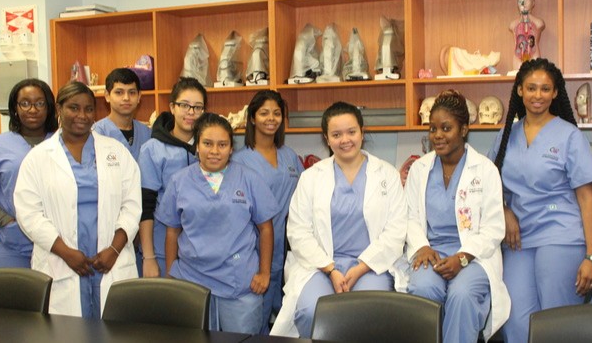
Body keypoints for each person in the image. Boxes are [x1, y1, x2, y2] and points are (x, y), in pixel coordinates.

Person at [270, 102, 407, 338]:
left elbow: (395, 231)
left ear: (362, 132)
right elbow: (298, 231)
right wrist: (331, 269)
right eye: (336, 134)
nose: (345, 140)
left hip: (370, 266)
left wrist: (360, 268)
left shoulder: (387, 174)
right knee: (311, 311)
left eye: (351, 132)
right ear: (327, 138)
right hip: (321, 265)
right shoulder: (311, 177)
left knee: (367, 313)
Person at [488, 59, 592, 343]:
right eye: (532, 88)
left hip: (560, 236)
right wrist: (504, 210)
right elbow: (488, 186)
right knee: (514, 320)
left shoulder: (569, 136)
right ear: (520, 91)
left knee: (555, 323)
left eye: (545, 88)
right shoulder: (505, 136)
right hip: (519, 241)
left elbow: (587, 198)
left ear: (554, 93)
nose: (538, 95)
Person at [14, 81, 141, 318]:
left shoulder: (116, 152)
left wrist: (114, 249)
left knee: (115, 332)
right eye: (73, 107)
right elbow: (29, 214)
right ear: (59, 110)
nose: (82, 115)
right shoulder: (38, 158)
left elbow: (132, 205)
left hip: (110, 259)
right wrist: (65, 252)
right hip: (61, 261)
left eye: (88, 109)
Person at [156, 112, 278, 334]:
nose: (214, 151)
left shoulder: (248, 179)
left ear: (231, 148)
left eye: (222, 144)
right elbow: (172, 231)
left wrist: (265, 273)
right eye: (208, 143)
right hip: (191, 280)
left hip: (239, 281)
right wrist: (171, 273)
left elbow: (266, 228)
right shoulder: (180, 181)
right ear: (197, 146)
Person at [404, 90, 509, 343]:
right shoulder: (420, 169)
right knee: (422, 288)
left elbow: (494, 227)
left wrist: (462, 258)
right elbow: (409, 217)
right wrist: (422, 246)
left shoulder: (485, 170)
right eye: (433, 129)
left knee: (462, 295)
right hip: (432, 252)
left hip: (473, 256)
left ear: (463, 130)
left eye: (446, 128)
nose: (437, 135)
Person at [232, 90, 304, 333]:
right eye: (264, 113)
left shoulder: (290, 157)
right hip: (254, 251)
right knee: (255, 319)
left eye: (276, 113)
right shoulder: (240, 162)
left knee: (286, 320)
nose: (271, 118)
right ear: (252, 118)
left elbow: (305, 198)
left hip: (287, 248)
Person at [0, 78, 58, 268]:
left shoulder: (63, 143)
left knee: (55, 298)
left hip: (59, 247)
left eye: (40, 103)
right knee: (13, 297)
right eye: (25, 103)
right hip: (13, 246)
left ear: (49, 107)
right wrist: (7, 222)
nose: (32, 110)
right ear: (15, 109)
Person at [137, 77, 206, 278]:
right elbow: (146, 206)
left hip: (200, 251)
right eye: (184, 105)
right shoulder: (153, 150)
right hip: (160, 249)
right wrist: (148, 258)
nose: (191, 112)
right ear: (172, 107)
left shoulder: (209, 148)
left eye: (198, 107)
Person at [93, 68, 151, 160]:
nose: (126, 98)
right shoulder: (97, 133)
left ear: (139, 96)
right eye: (119, 92)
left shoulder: (147, 133)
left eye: (132, 93)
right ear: (107, 96)